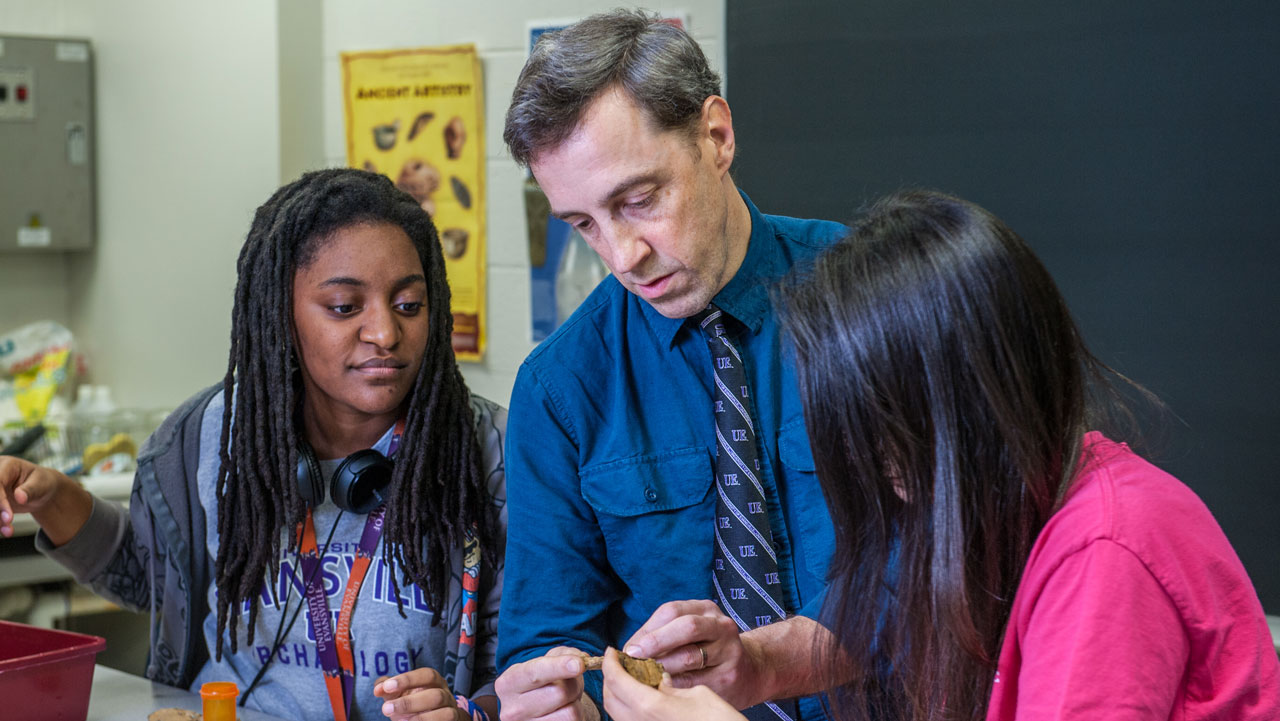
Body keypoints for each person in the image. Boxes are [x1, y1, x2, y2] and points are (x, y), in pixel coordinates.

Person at [598, 190, 1280, 721]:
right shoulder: (1033, 510)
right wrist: (759, 668)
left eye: (878, 427)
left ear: (957, 402)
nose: (868, 462)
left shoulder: (1106, 551)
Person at [0, 168, 508, 721]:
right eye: (344, 307)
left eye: (409, 305)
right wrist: (52, 500)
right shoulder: (209, 435)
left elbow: (529, 656)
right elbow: (151, 580)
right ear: (279, 313)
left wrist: (471, 715)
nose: (385, 332)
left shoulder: (488, 453)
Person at [494, 9, 849, 721]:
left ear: (715, 136)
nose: (622, 256)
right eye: (584, 224)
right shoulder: (562, 390)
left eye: (639, 200)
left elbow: (950, 572)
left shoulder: (873, 295)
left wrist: (762, 664)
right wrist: (559, 700)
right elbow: (550, 635)